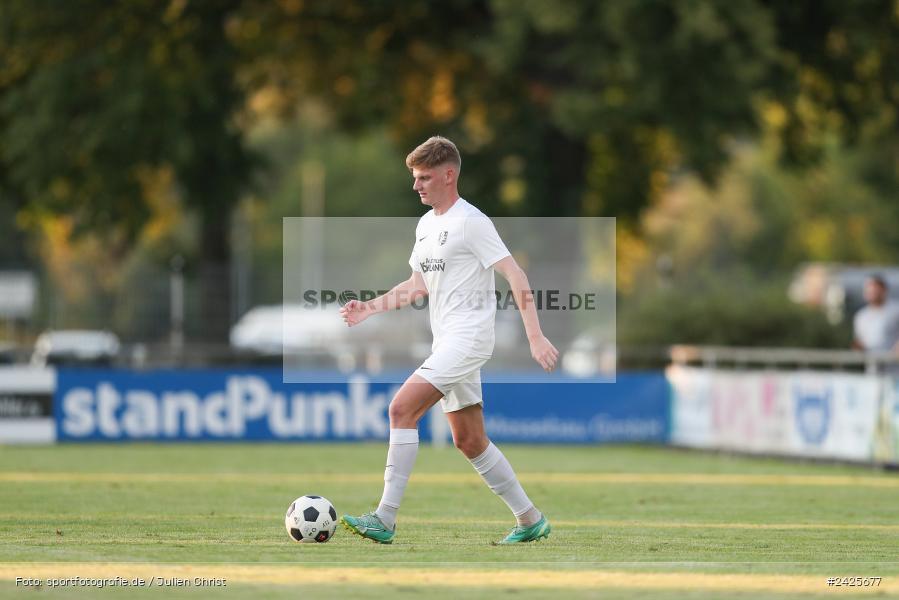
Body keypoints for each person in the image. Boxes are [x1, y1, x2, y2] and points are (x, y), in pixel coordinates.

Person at [338, 136, 559, 544]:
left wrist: (535, 335)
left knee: (401, 409)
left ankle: (384, 518)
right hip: (447, 342)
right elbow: (416, 285)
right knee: (469, 440)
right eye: (414, 177)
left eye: (423, 177)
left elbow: (515, 274)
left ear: (448, 175)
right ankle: (530, 519)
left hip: (469, 337)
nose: (416, 186)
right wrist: (369, 308)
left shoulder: (471, 221)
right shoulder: (426, 225)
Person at [852, 274, 899, 353]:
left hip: (893, 364)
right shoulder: (861, 316)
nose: (871, 293)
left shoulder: (896, 310)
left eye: (875, 289)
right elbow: (859, 341)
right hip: (872, 363)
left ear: (884, 290)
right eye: (869, 290)